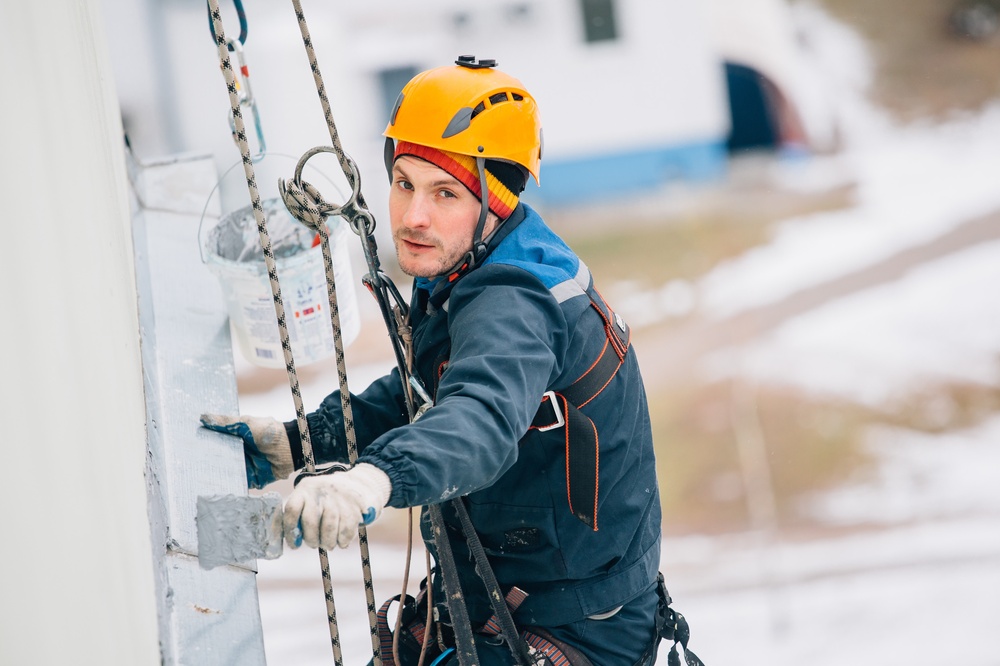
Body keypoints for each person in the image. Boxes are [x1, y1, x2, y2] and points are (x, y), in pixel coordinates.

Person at [202, 56, 674, 665]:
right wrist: (302, 443)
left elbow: (479, 419)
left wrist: (376, 477)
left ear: (493, 202)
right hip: (504, 602)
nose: (413, 216)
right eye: (404, 183)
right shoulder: (468, 264)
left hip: (572, 630)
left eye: (444, 192)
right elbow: (433, 392)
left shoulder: (514, 300)